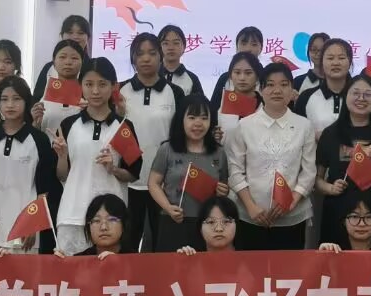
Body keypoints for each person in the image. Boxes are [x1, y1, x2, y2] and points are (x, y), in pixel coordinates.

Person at [224, 61, 317, 250]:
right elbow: (235, 170)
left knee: (289, 268)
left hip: (291, 217)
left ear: (292, 90)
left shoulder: (304, 126)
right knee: (250, 268)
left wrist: (291, 202)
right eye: (270, 85)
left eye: (284, 84)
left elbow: (308, 172)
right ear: (260, 89)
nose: (277, 90)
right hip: (250, 216)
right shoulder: (244, 126)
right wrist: (251, 207)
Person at [53, 59, 142, 255]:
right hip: (73, 214)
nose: (95, 91)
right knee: (72, 271)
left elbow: (134, 173)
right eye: (89, 84)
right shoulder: (68, 125)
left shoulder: (124, 127)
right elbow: (62, 175)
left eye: (102, 84)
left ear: (113, 86)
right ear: (80, 86)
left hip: (111, 219)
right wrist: (62, 156)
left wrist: (113, 169)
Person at [0, 76, 61, 251]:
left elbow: (44, 188)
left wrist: (34, 223)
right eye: (4, 99)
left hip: (25, 225)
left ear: (26, 102)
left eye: (16, 99)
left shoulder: (39, 139)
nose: (10, 105)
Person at [315, 74, 371, 247]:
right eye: (355, 93)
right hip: (337, 216)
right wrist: (330, 188)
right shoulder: (331, 134)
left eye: (367, 94)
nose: (361, 98)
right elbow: (316, 180)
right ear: (345, 96)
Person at [117, 33, 180, 251]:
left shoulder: (174, 92)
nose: (146, 58)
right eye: (140, 53)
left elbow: (180, 134)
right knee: (128, 241)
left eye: (152, 53)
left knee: (161, 243)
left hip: (163, 181)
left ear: (161, 57)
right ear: (132, 58)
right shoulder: (119, 91)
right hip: (127, 179)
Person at [148, 95, 229, 253]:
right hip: (173, 221)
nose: (198, 123)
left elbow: (224, 186)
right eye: (192, 117)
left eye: (204, 118)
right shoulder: (167, 149)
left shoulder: (219, 153)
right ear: (181, 119)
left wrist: (223, 191)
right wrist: (168, 208)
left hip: (208, 225)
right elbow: (153, 183)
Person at [295, 37, 353, 135]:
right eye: (330, 58)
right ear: (322, 61)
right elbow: (297, 134)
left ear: (350, 61)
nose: (336, 63)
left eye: (341, 58)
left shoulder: (359, 96)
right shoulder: (306, 97)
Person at [31, 39, 87, 135]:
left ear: (82, 62)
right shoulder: (45, 92)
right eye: (62, 57)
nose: (68, 62)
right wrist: (35, 122)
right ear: (54, 61)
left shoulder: (88, 93)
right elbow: (36, 132)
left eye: (74, 58)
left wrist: (90, 113)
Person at [207, 26, 265, 109]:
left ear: (261, 48)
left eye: (254, 44)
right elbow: (213, 109)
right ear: (237, 47)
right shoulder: (225, 79)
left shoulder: (267, 77)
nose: (248, 49)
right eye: (243, 44)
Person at [214, 51, 264, 142]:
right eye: (237, 72)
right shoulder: (223, 101)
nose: (242, 78)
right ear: (230, 75)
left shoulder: (264, 106)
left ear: (257, 76)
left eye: (248, 73)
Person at [32, 16, 91, 88]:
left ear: (88, 37)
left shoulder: (93, 67)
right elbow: (38, 94)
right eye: (70, 32)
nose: (75, 37)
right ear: (62, 35)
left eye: (80, 33)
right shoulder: (49, 67)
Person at [158, 24, 200, 97]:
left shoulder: (192, 79)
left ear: (184, 47)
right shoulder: (150, 75)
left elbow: (199, 103)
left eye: (176, 43)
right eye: (166, 43)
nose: (171, 48)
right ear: (158, 47)